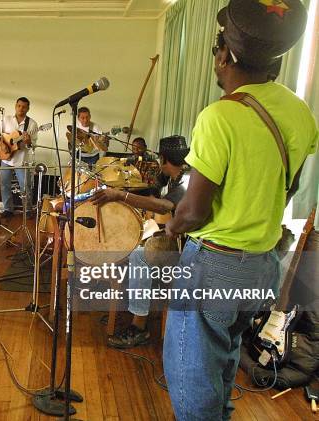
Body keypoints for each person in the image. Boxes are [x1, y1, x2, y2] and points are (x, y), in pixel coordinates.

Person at [163, 1, 316, 419]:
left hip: (215, 264)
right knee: (226, 355)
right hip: (263, 261)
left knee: (191, 374)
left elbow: (193, 213)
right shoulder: (299, 111)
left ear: (224, 55)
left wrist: (171, 226)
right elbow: (292, 185)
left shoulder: (220, 117)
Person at [90, 135, 190, 348]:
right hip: (179, 238)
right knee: (133, 244)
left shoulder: (185, 181)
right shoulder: (175, 177)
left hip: (188, 248)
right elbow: (154, 193)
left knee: (139, 256)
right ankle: (131, 306)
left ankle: (139, 326)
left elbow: (164, 206)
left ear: (163, 159)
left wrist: (120, 196)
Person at [0, 97, 38, 217]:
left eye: (24, 107)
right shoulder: (5, 120)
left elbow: (33, 145)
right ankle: (8, 209)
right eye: (19, 106)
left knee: (25, 185)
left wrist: (28, 142)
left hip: (21, 160)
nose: (21, 109)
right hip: (5, 157)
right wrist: (2, 145)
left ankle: (27, 209)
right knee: (4, 184)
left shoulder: (32, 124)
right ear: (15, 106)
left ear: (28, 108)